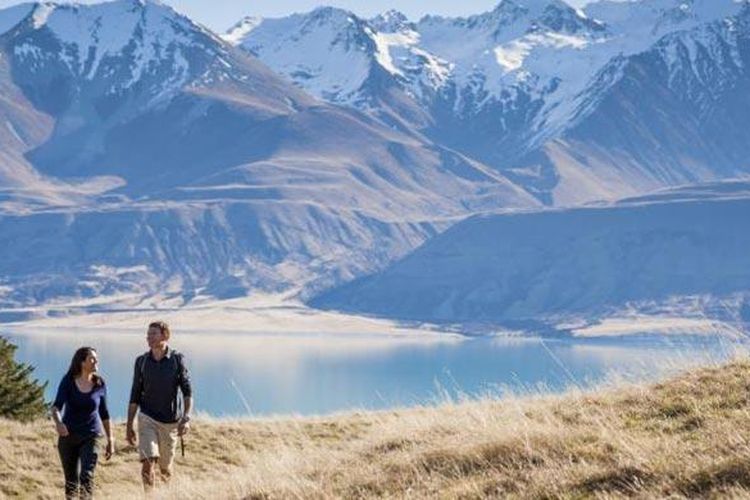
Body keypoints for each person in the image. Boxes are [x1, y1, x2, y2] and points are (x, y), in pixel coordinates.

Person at [126, 320, 193, 491]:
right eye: (148, 334)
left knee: (165, 469)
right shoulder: (141, 361)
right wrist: (129, 425)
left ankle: (166, 494)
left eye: (153, 334)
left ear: (165, 336)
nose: (149, 337)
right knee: (148, 462)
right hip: (147, 417)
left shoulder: (177, 360)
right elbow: (135, 394)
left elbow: (187, 391)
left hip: (170, 422)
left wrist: (186, 418)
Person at [51, 347, 114, 500]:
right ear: (81, 362)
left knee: (87, 476)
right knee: (71, 482)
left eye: (96, 358)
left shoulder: (99, 383)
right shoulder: (68, 381)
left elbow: (104, 413)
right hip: (68, 437)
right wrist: (59, 423)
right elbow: (56, 407)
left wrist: (110, 439)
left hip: (91, 436)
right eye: (92, 358)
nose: (96, 361)